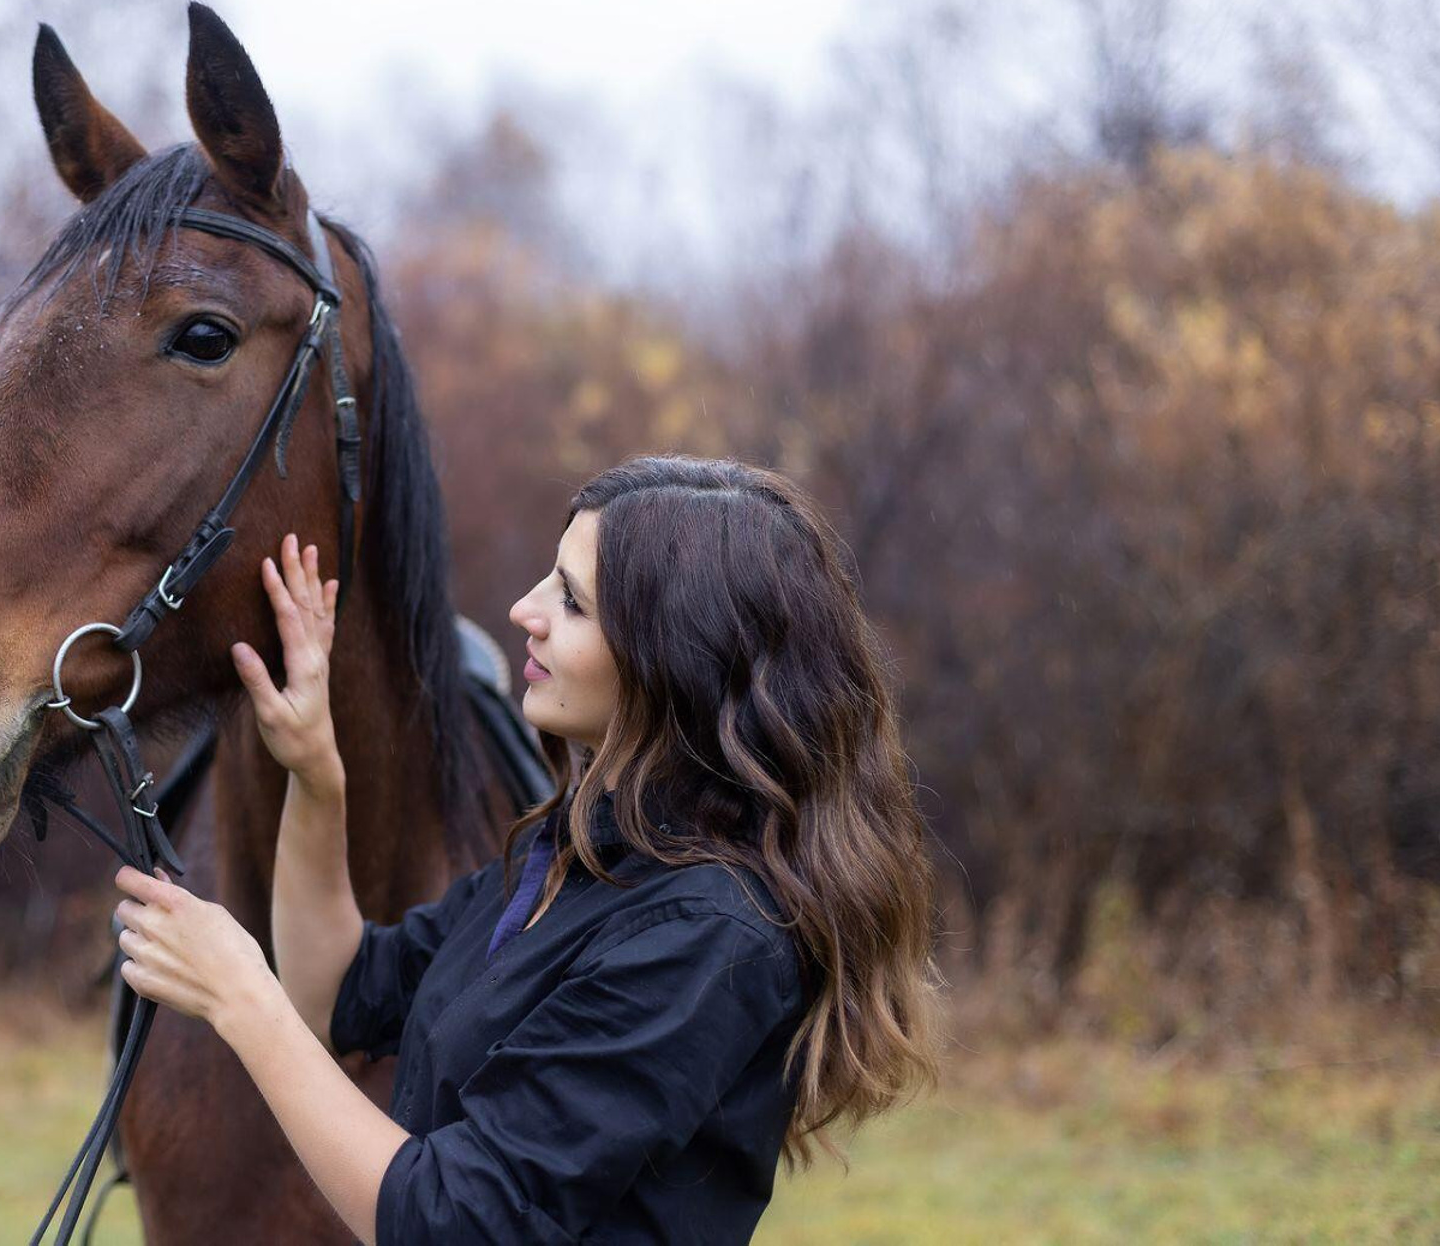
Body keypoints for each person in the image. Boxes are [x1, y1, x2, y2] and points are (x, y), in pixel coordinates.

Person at [111, 454, 944, 1244]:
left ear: (673, 658)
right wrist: (315, 773)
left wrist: (242, 1000)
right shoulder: (576, 855)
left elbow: (458, 1223)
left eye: (573, 601)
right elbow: (337, 993)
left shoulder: (711, 932)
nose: (524, 609)